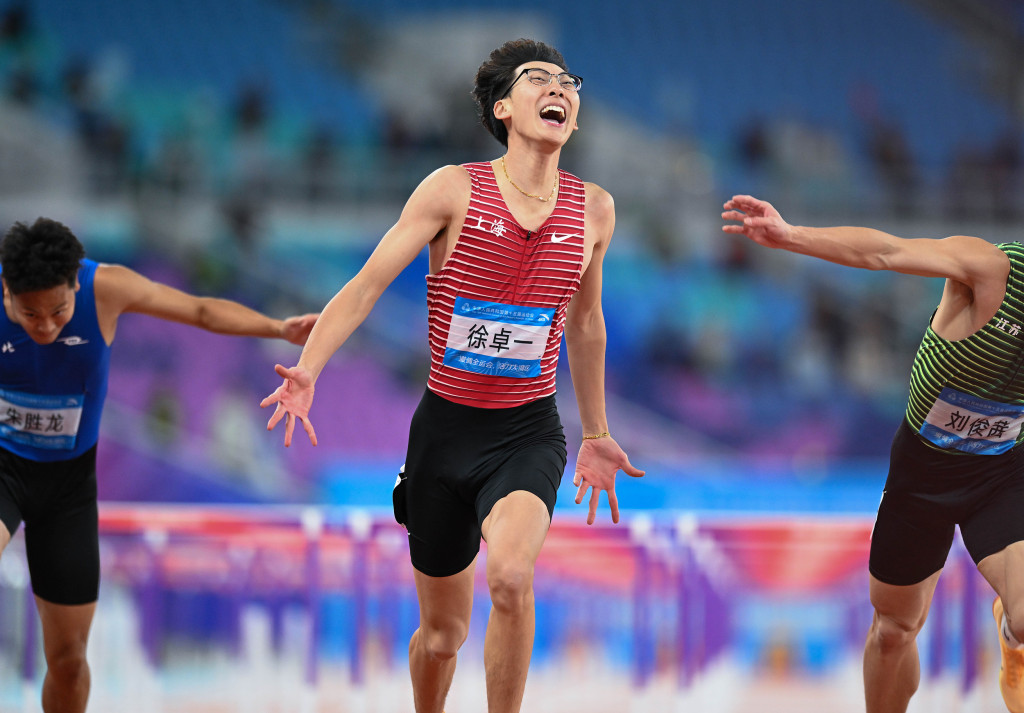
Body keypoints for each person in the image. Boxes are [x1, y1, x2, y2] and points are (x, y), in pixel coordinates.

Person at [261, 38, 644, 713]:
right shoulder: (452, 189)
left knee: (511, 578)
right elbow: (366, 285)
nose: (559, 88)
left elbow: (586, 324)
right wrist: (309, 369)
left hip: (527, 433)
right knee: (443, 636)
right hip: (444, 437)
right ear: (503, 108)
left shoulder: (595, 209)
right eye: (538, 78)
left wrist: (596, 430)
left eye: (568, 81)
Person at [0, 217, 318, 713]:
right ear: (7, 291)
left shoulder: (106, 288)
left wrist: (277, 328)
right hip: (5, 470)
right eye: (29, 314)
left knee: (68, 661)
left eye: (58, 311)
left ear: (75, 286)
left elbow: (200, 310)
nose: (44, 326)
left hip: (67, 490)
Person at [722, 194, 1024, 713]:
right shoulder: (991, 268)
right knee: (893, 631)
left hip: (1001, 475)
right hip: (922, 475)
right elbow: (886, 251)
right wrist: (791, 235)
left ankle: (1013, 638)